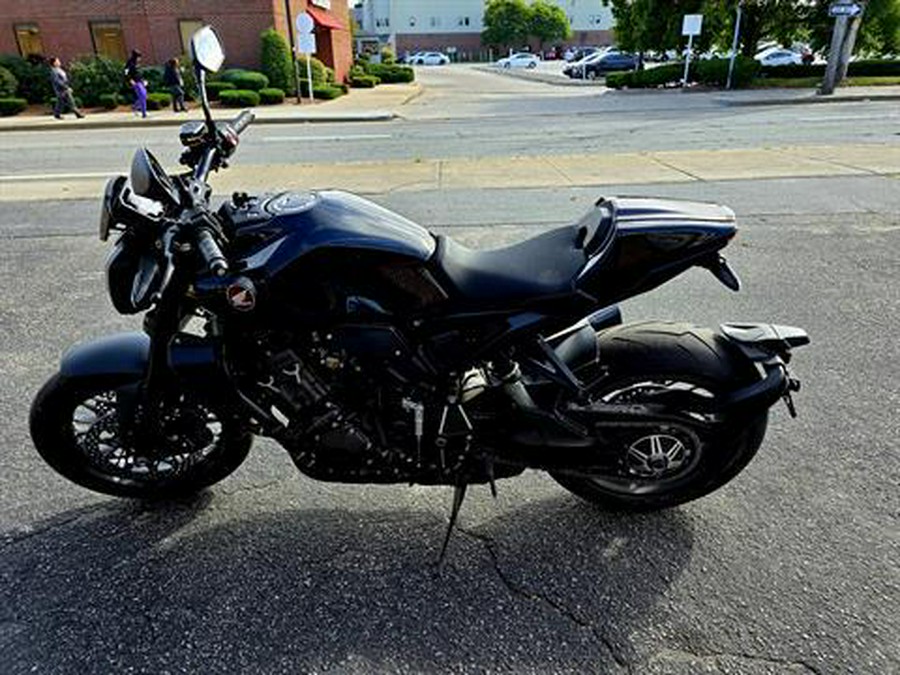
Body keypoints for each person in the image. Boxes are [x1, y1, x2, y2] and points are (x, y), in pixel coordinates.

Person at [125, 50, 148, 118]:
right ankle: (144, 113)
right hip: (135, 82)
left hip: (140, 81)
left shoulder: (137, 63)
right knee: (142, 96)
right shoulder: (129, 63)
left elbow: (139, 73)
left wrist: (144, 80)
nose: (140, 59)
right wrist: (130, 80)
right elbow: (126, 72)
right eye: (139, 57)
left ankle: (135, 107)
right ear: (135, 57)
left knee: (144, 95)